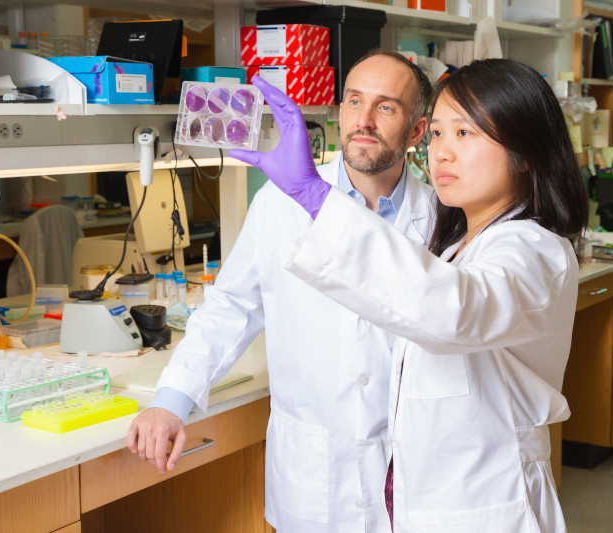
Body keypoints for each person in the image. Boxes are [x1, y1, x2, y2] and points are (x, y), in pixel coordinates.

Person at [230, 58, 590, 532]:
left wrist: (317, 198)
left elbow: (452, 309)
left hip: (485, 509)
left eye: (465, 134)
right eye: (438, 134)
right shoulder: (461, 247)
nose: (441, 152)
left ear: (525, 150)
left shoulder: (533, 249)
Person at [127, 49, 434, 533]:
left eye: (387, 107)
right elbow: (231, 307)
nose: (365, 120)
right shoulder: (278, 203)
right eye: (354, 101)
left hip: (413, 477)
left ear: (417, 131)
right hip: (315, 476)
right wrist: (171, 399)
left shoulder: (442, 218)